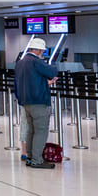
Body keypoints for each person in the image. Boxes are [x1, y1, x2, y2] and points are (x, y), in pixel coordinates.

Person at [15, 38, 60, 169]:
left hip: (25, 102)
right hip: (38, 102)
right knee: (41, 131)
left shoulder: (21, 62)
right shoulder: (36, 62)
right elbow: (52, 72)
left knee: (31, 131)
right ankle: (37, 159)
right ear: (40, 50)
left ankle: (30, 157)